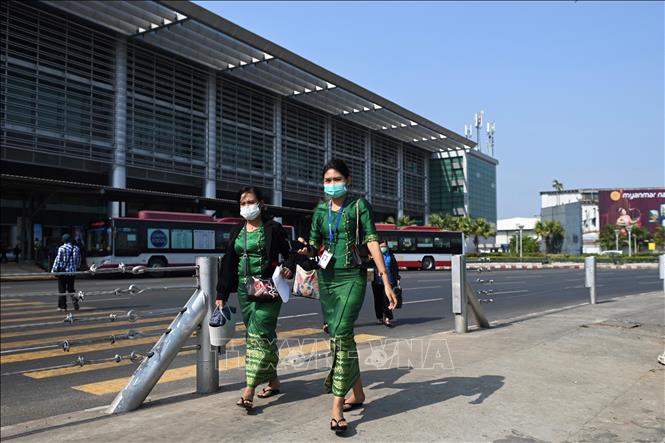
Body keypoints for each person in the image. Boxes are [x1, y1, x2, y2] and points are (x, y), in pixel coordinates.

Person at [297, 158, 397, 432]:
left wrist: (385, 280)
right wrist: (306, 250)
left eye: (336, 179)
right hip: (327, 279)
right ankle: (359, 393)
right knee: (342, 338)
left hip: (353, 276)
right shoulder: (320, 211)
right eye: (327, 181)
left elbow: (372, 240)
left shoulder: (358, 206)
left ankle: (337, 408)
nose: (331, 185)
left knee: (340, 334)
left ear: (348, 181)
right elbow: (316, 246)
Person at [216, 186, 296, 411]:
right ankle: (273, 380)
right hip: (244, 290)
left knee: (256, 335)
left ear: (261, 203)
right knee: (264, 335)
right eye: (242, 203)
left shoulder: (273, 228)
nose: (246, 207)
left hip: (267, 288)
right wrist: (221, 293)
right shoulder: (237, 231)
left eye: (250, 202)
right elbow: (228, 262)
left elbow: (291, 252)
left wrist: (289, 266)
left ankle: (248, 389)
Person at [371, 241, 401, 327]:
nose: (383, 248)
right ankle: (379, 317)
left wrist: (398, 279)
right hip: (377, 282)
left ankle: (388, 317)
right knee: (378, 301)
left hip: (389, 282)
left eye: (385, 246)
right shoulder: (374, 257)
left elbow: (395, 269)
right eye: (381, 246)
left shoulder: (391, 256)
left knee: (387, 300)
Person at [51, 234, 81, 311]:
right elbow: (78, 261)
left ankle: (63, 307)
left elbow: (58, 260)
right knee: (71, 289)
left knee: (62, 290)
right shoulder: (76, 248)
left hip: (63, 272)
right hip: (72, 272)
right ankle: (75, 301)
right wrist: (75, 268)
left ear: (63, 240)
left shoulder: (61, 248)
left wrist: (53, 271)